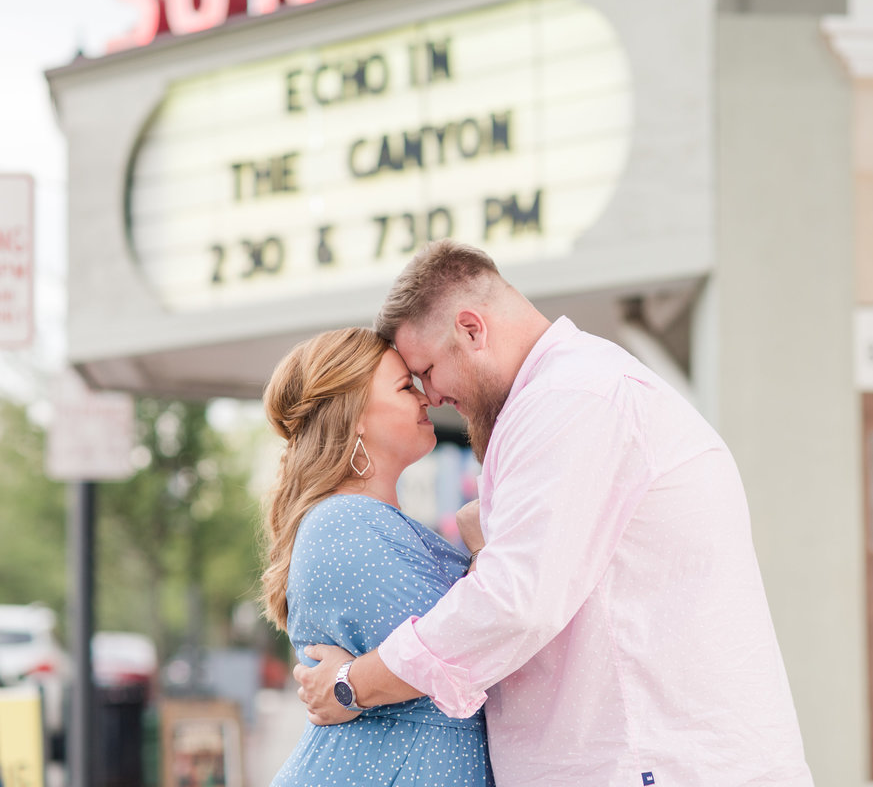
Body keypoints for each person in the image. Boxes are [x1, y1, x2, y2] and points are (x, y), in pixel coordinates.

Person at [296, 240, 814, 786]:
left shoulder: (571, 399)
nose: (433, 395)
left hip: (653, 765)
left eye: (426, 370)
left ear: (471, 329)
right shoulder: (573, 392)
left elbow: (514, 602)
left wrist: (352, 684)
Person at [260, 326, 494, 787]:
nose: (426, 397)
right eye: (406, 387)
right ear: (354, 417)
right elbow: (474, 647)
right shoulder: (344, 523)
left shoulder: (367, 522)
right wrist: (483, 553)